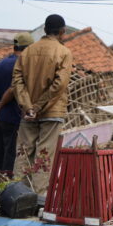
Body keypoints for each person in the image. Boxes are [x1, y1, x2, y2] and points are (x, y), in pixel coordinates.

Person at [12, 14, 73, 199]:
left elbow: (17, 81)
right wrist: (38, 107)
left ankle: (16, 195)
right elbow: (59, 84)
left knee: (23, 152)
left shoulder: (27, 51)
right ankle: (39, 197)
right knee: (45, 154)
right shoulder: (64, 53)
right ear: (62, 32)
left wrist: (28, 106)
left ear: (45, 30)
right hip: (52, 111)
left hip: (28, 112)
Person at [0, 32, 35, 190]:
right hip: (13, 116)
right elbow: (14, 89)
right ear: (28, 48)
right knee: (10, 155)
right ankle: (4, 190)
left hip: (0, 118)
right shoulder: (23, 65)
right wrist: (1, 105)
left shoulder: (1, 64)